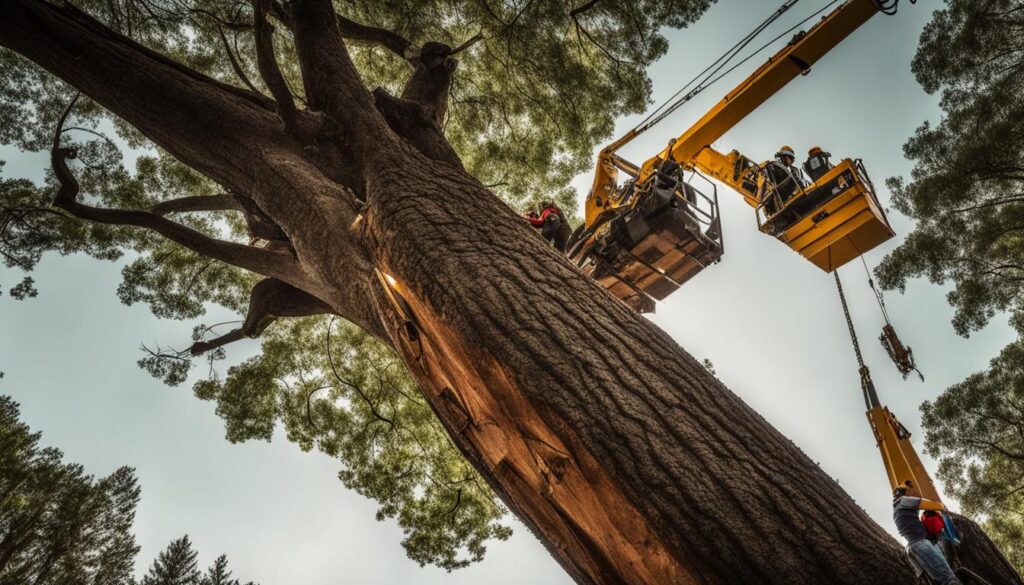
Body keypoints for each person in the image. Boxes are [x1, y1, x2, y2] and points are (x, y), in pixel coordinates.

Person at [893, 484, 961, 585]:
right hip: (921, 544)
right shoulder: (904, 500)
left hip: (913, 547)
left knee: (939, 580)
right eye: (909, 492)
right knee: (949, 578)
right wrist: (941, 506)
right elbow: (933, 505)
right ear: (905, 492)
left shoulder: (896, 510)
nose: (911, 494)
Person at [762, 145, 808, 221]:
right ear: (786, 157)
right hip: (781, 202)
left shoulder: (791, 170)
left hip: (786, 200)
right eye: (791, 159)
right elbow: (793, 183)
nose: (791, 162)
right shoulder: (774, 167)